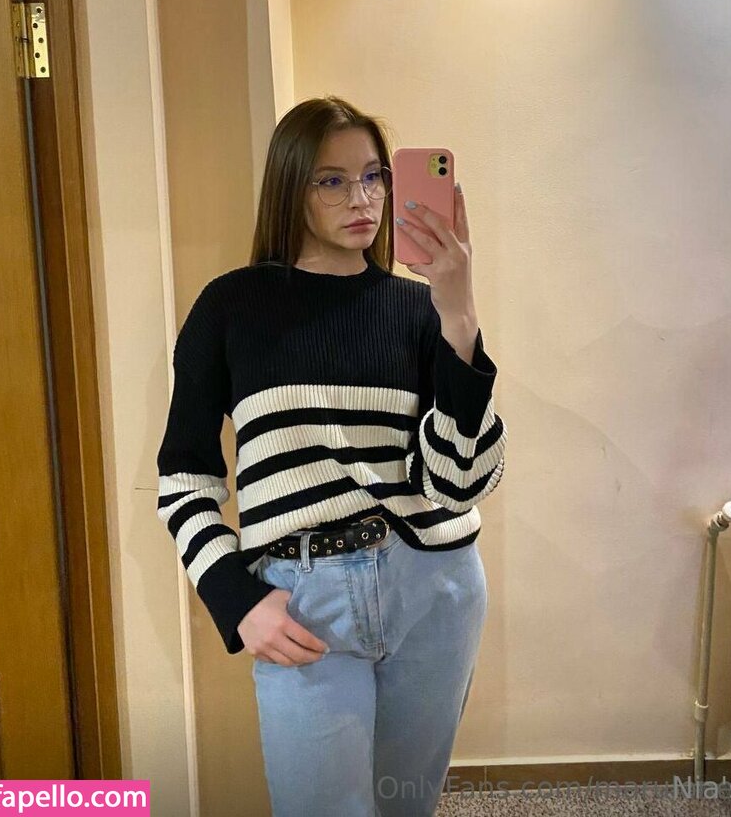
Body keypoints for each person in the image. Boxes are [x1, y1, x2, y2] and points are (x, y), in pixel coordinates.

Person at [156, 96, 507, 816]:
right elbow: (185, 478)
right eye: (333, 181)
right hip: (304, 596)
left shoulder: (420, 311)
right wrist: (233, 598)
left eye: (375, 177)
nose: (363, 199)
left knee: (405, 806)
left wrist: (459, 312)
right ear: (292, 186)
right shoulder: (231, 307)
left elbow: (458, 482)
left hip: (433, 589)